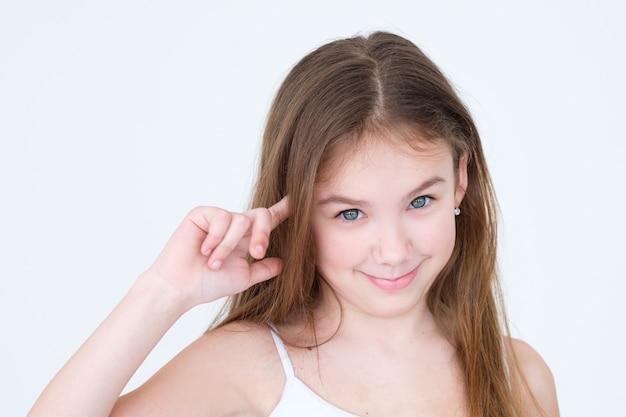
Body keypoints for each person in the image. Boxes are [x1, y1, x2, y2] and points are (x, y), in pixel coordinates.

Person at [27, 31, 559, 417]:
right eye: (350, 213)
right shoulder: (251, 368)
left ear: (460, 179)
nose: (393, 250)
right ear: (299, 211)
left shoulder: (521, 377)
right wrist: (163, 291)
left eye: (420, 202)